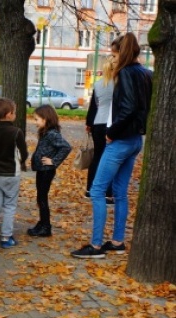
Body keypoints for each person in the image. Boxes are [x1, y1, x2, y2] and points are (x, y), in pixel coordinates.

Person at [72, 33, 152, 259]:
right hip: (135, 139)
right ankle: (117, 241)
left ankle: (96, 246)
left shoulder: (126, 73)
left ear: (122, 52)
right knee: (120, 193)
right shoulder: (145, 74)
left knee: (97, 190)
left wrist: (110, 133)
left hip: (120, 140)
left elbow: (127, 109)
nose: (112, 59)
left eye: (114, 54)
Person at [0, 98, 28, 248]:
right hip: (11, 175)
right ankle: (6, 237)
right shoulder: (16, 132)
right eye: (14, 112)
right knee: (9, 206)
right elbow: (24, 154)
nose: (15, 115)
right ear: (9, 114)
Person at [27, 105, 72, 237]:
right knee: (40, 197)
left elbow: (66, 147)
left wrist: (54, 161)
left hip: (47, 170)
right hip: (41, 169)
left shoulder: (52, 134)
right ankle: (42, 223)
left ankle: (46, 227)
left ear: (46, 119)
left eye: (37, 119)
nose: (35, 122)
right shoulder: (45, 132)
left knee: (42, 197)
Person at [85, 42, 120, 203]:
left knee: (97, 156)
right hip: (111, 123)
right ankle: (107, 192)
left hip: (97, 123)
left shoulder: (98, 84)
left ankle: (90, 188)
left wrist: (88, 124)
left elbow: (93, 106)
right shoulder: (119, 84)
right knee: (110, 158)